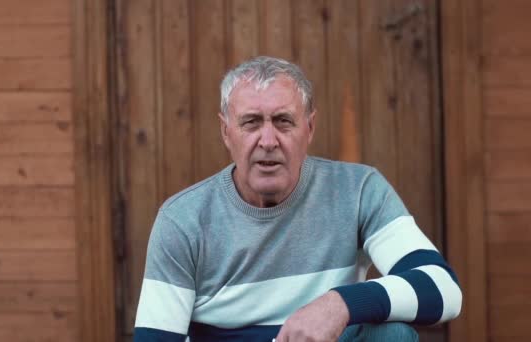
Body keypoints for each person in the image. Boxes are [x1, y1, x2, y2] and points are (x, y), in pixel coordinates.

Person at [133, 56, 462, 342]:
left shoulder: (358, 191)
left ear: (309, 127)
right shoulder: (183, 220)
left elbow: (444, 290)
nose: (268, 140)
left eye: (283, 121)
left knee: (392, 335)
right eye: (251, 123)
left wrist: (341, 303)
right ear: (225, 132)